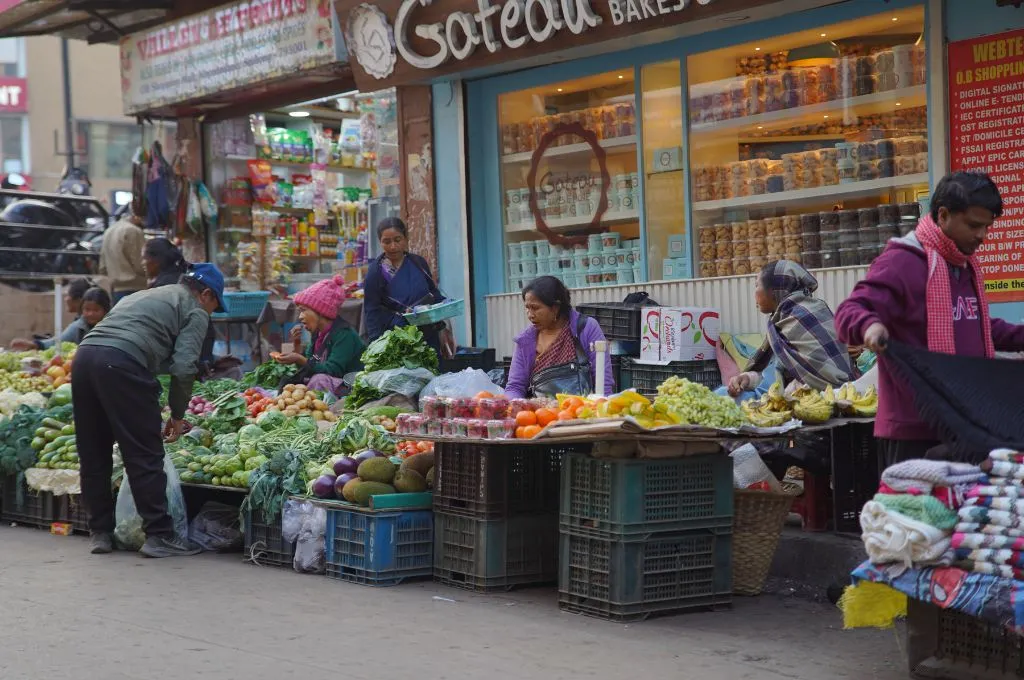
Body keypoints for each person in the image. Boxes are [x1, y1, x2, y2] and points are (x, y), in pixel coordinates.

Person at [836, 171, 1024, 466]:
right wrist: (870, 326)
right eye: (974, 225)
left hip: (966, 425)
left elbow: (977, 326)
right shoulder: (901, 262)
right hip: (915, 432)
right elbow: (850, 312)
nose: (982, 236)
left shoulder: (963, 266)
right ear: (944, 215)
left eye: (987, 227)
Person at [72, 263, 226, 558]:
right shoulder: (194, 310)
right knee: (144, 452)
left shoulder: (146, 295)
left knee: (93, 452)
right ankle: (159, 535)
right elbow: (183, 367)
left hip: (84, 359)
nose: (211, 314)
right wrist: (178, 414)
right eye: (214, 306)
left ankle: (100, 532)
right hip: (121, 364)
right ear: (206, 294)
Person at [728, 261, 855, 398]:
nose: (755, 293)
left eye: (757, 285)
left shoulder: (794, 317)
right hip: (846, 390)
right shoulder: (807, 310)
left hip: (824, 398)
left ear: (774, 290)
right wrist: (747, 378)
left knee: (726, 396)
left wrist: (750, 379)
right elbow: (780, 368)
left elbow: (777, 374)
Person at [505, 276, 614, 399]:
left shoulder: (585, 328)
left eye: (535, 308)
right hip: (543, 415)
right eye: (527, 308)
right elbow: (515, 387)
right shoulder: (525, 341)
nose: (530, 315)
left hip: (582, 412)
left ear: (555, 307)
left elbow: (603, 382)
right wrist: (514, 406)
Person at [363, 217, 450, 356]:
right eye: (386, 241)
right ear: (380, 242)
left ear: (405, 239)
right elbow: (371, 310)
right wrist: (377, 345)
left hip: (427, 336)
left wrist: (445, 305)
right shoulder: (376, 272)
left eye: (397, 240)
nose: (393, 246)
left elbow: (433, 292)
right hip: (397, 340)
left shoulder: (418, 263)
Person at [274, 275, 365, 395]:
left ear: (321, 312)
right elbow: (311, 365)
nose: (300, 317)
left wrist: (299, 359)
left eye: (303, 310)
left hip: (351, 386)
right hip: (331, 384)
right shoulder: (318, 334)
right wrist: (297, 346)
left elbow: (332, 371)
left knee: (319, 380)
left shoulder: (344, 334)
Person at [8, 278, 92, 350]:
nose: (66, 299)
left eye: (68, 295)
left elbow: (59, 342)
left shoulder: (81, 324)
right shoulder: (80, 320)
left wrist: (34, 344)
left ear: (79, 300)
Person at [99, 210, 147, 303]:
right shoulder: (134, 231)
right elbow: (140, 265)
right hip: (135, 289)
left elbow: (102, 267)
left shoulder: (109, 230)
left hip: (116, 289)